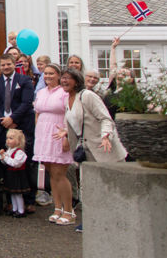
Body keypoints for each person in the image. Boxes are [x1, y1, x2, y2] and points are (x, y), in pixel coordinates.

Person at [56, 67, 127, 232]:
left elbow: (105, 118)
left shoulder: (87, 96)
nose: (64, 81)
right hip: (85, 150)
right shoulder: (67, 99)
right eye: (63, 78)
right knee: (88, 187)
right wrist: (66, 132)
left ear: (77, 81)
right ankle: (91, 220)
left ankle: (117, 221)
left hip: (103, 147)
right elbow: (76, 122)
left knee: (111, 187)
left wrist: (105, 135)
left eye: (68, 78)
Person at [0, 54, 35, 212]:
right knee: (6, 164)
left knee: (23, 164)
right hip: (2, 127)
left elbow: (27, 102)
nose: (6, 67)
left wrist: (13, 119)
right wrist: (3, 119)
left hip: (21, 125)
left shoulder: (24, 81)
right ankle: (10, 200)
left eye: (9, 64)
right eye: (3, 65)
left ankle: (28, 201)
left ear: (14, 64)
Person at [33, 63, 74, 225]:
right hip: (44, 135)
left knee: (60, 173)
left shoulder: (64, 93)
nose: (48, 76)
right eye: (46, 74)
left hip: (59, 134)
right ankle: (57, 208)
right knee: (51, 173)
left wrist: (67, 137)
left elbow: (70, 115)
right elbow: (37, 113)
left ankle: (69, 210)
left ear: (59, 75)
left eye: (51, 74)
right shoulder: (41, 92)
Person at [0, 128, 30, 218]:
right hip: (10, 174)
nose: (8, 140)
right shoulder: (9, 151)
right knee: (12, 193)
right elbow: (6, 162)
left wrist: (5, 158)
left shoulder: (20, 152)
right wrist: (2, 157)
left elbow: (16, 163)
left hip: (18, 175)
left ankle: (21, 210)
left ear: (19, 141)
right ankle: (14, 209)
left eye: (11, 138)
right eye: (7, 138)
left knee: (18, 193)